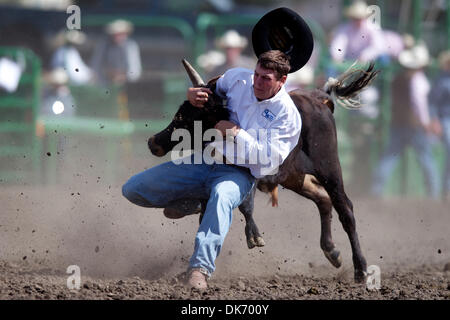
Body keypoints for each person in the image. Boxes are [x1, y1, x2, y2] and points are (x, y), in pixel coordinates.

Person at [122, 50, 302, 289]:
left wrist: (237, 134)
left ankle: (199, 269)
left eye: (265, 78)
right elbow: (209, 92)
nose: (257, 82)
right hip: (205, 158)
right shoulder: (238, 78)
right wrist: (195, 95)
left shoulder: (288, 116)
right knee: (133, 189)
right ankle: (195, 199)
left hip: (239, 173)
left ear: (282, 81)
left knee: (221, 196)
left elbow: (269, 159)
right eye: (257, 74)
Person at [371, 43, 441, 198]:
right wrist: (426, 123)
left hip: (399, 124)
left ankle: (376, 191)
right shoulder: (419, 81)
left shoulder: (398, 78)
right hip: (415, 126)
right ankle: (433, 194)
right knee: (426, 159)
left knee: (389, 157)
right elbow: (419, 104)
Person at [90, 19, 142, 86]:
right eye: (115, 34)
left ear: (125, 34)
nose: (117, 36)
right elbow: (95, 65)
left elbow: (135, 71)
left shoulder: (131, 46)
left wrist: (123, 76)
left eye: (120, 34)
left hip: (127, 84)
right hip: (104, 82)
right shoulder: (104, 45)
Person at [429, 50, 450, 200]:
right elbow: (433, 103)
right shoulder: (442, 80)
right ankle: (446, 189)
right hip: (446, 119)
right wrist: (435, 120)